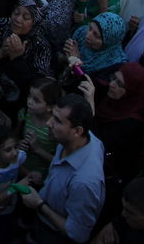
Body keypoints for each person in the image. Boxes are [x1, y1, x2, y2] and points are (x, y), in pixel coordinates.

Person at [16, 93, 106, 244]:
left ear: (77, 131)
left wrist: (39, 204)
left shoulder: (84, 183)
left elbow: (77, 233)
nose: (48, 123)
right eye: (52, 116)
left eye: (57, 121)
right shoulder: (81, 138)